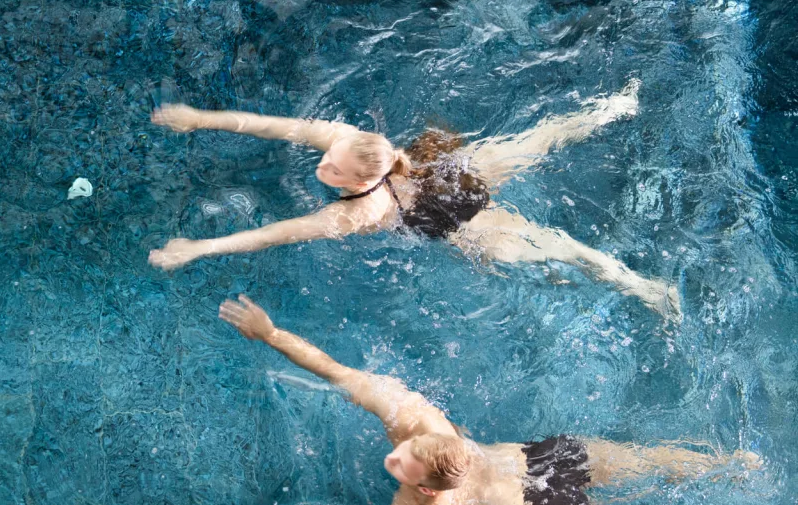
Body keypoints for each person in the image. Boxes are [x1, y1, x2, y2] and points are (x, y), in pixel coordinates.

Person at [191, 295, 780, 505]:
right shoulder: (417, 420)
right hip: (547, 460)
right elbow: (334, 370)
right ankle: (734, 475)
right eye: (406, 448)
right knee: (652, 468)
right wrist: (270, 335)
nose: (394, 457)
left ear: (427, 489)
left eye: (403, 464)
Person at [148, 81, 680, 320]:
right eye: (328, 158)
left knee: (563, 250)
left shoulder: (359, 213)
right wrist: (199, 118)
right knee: (537, 142)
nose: (323, 166)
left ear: (358, 181)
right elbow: (266, 126)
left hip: (462, 223)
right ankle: (614, 108)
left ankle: (647, 288)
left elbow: (272, 235)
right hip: (452, 172)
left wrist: (198, 248)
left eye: (333, 170)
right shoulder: (345, 139)